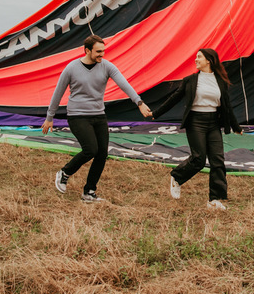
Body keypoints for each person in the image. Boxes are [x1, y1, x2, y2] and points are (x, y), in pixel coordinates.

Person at [43, 34, 152, 202]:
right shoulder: (71, 68)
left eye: (103, 51)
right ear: (87, 50)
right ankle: (65, 172)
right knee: (91, 150)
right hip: (77, 116)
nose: (102, 54)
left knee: (101, 154)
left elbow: (124, 84)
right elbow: (58, 93)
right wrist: (50, 117)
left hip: (98, 115)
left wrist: (139, 102)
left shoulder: (107, 66)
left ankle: (89, 192)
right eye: (98, 51)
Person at [148, 48, 243, 211]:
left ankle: (215, 200)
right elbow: (174, 98)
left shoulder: (220, 81)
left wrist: (236, 126)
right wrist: (155, 113)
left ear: (209, 60)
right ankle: (177, 177)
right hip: (195, 121)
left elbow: (227, 106)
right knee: (198, 159)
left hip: (213, 122)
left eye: (199, 57)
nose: (196, 60)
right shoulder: (190, 80)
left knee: (218, 160)